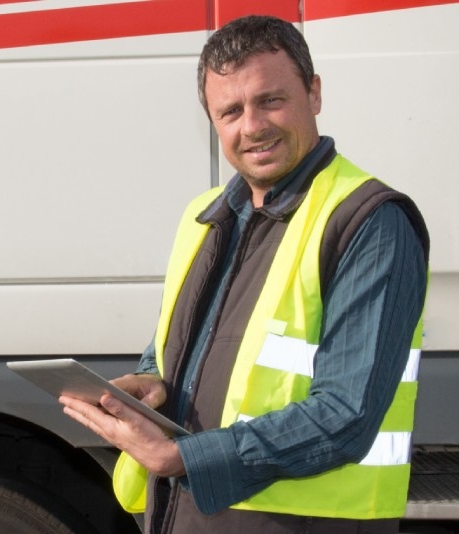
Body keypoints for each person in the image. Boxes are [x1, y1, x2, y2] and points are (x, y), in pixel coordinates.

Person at [60, 15, 429, 534]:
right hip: (192, 515)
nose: (251, 126)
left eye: (270, 101)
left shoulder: (368, 220)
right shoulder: (206, 216)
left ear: (314, 93)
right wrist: (148, 380)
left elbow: (347, 414)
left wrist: (184, 459)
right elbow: (174, 342)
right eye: (230, 110)